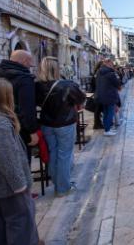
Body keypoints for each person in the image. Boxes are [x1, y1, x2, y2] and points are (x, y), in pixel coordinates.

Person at [0, 78, 40, 245]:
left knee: (0, 224)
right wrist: (19, 185)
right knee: (20, 223)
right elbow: (5, 157)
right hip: (7, 186)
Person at [35, 57, 86, 197]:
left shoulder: (37, 86)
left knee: (53, 153)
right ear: (57, 68)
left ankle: (58, 182)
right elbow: (81, 99)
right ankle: (62, 188)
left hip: (47, 124)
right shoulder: (67, 84)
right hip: (65, 123)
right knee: (64, 154)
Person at [0, 50, 39, 164]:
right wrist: (32, 131)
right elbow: (27, 108)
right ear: (24, 61)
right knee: (21, 162)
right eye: (30, 64)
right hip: (18, 127)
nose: (30, 67)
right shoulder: (24, 79)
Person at [95, 59, 122, 136]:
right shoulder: (111, 73)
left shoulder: (99, 72)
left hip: (101, 95)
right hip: (110, 96)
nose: (113, 65)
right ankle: (107, 130)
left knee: (105, 112)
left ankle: (107, 129)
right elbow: (117, 83)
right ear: (108, 64)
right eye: (112, 63)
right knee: (110, 113)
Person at [91, 61, 104, 129]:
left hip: (98, 93)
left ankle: (98, 123)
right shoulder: (97, 74)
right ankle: (96, 124)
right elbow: (94, 84)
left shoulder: (97, 73)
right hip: (98, 93)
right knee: (97, 110)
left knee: (98, 110)